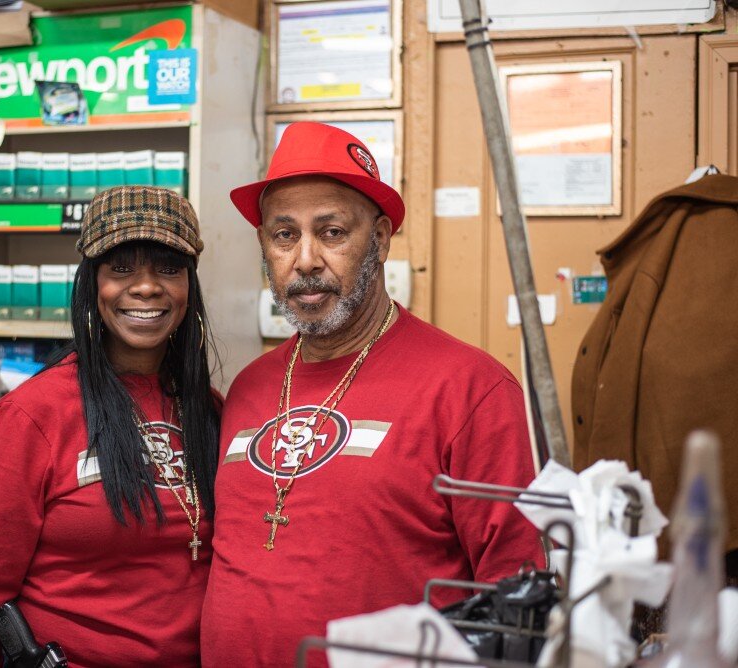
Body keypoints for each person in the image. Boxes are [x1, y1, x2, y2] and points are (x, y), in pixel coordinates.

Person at [201, 122, 543, 667]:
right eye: (284, 234)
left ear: (380, 238)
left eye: (332, 232)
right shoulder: (249, 386)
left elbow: (518, 591)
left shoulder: (470, 388)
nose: (306, 259)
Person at [0, 186, 221, 667]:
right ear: (92, 285)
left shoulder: (212, 410)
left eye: (168, 268)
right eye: (121, 268)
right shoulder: (34, 414)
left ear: (189, 287)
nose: (146, 287)